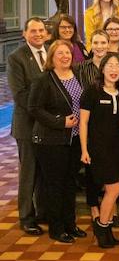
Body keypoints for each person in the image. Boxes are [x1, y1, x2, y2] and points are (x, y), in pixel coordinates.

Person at [28, 40, 87, 243]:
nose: (65, 56)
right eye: (60, 53)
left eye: (68, 53)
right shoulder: (43, 79)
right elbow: (34, 108)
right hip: (51, 140)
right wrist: (60, 121)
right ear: (51, 57)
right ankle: (57, 228)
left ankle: (70, 224)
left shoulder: (77, 75)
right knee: (55, 185)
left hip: (75, 139)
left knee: (70, 183)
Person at [79, 53, 119, 248]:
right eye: (109, 65)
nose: (114, 69)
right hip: (98, 148)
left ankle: (106, 231)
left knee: (114, 189)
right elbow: (83, 123)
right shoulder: (92, 92)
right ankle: (101, 227)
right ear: (102, 68)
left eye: (117, 66)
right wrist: (84, 149)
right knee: (114, 189)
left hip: (117, 148)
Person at [8, 17, 48, 236]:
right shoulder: (16, 57)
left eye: (41, 30)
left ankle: (42, 212)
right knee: (29, 173)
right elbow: (20, 94)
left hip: (47, 127)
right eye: (33, 31)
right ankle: (26, 216)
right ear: (24, 34)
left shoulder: (50, 52)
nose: (38, 34)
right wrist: (45, 114)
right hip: (27, 125)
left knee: (43, 172)